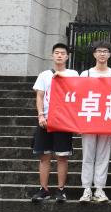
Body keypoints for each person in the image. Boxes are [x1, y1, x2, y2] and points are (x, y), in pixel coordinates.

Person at [30, 43, 78, 202]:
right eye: (56, 52)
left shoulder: (73, 74)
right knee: (44, 156)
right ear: (52, 55)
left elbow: (77, 93)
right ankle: (43, 189)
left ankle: (61, 189)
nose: (59, 55)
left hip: (63, 120)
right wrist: (40, 115)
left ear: (67, 57)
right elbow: (40, 96)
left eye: (62, 53)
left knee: (62, 156)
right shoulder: (44, 75)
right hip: (46, 119)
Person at [78, 42, 111, 203]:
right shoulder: (86, 74)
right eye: (99, 51)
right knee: (87, 155)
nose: (102, 54)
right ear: (94, 54)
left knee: (104, 155)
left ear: (109, 54)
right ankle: (86, 188)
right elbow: (79, 95)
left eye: (105, 51)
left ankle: (99, 188)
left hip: (107, 119)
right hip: (90, 117)